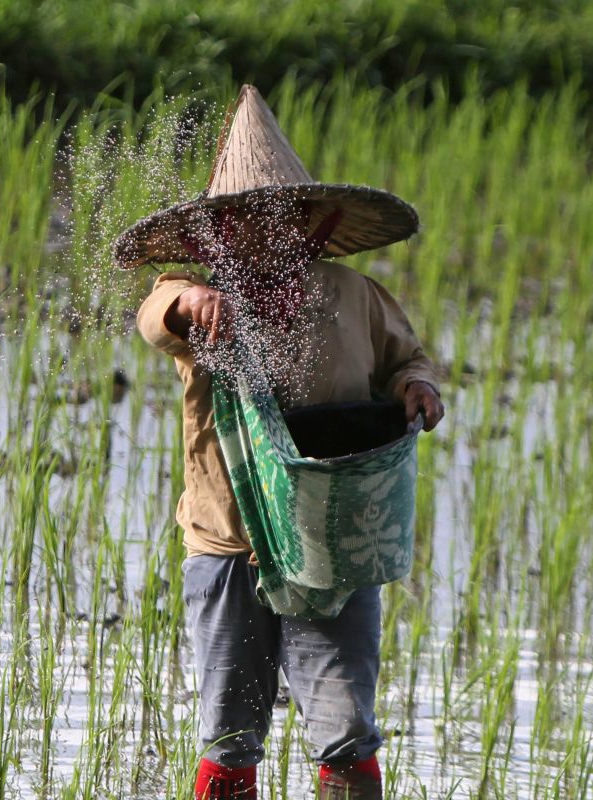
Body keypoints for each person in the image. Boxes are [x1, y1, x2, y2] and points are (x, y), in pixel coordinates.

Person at [116, 85, 443, 800]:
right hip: (229, 543)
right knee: (231, 733)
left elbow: (406, 360)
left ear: (313, 224)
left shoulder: (352, 295)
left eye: (281, 218)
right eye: (242, 222)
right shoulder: (195, 297)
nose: (264, 233)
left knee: (347, 726)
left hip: (333, 538)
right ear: (217, 236)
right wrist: (190, 301)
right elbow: (153, 315)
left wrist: (418, 388)